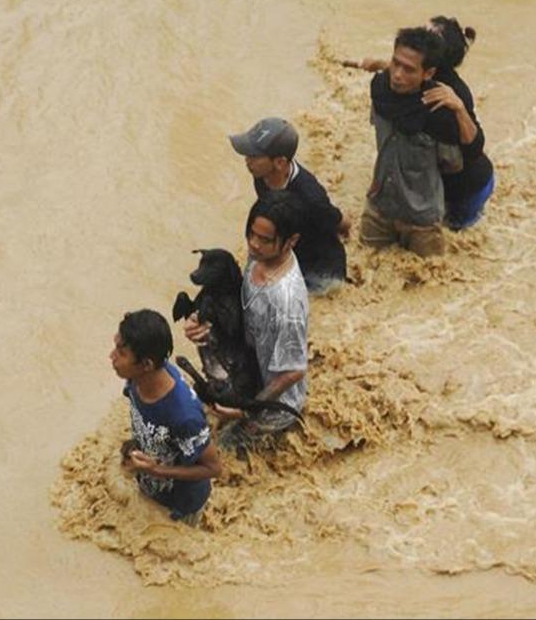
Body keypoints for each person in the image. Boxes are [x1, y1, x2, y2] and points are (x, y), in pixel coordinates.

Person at [184, 191, 310, 454]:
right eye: (251, 234)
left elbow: (294, 370)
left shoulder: (288, 303)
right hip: (245, 369)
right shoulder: (260, 257)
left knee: (227, 450)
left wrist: (246, 408)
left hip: (271, 404)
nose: (253, 244)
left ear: (291, 241)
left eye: (265, 239)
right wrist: (202, 320)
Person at [356, 16, 494, 230]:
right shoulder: (409, 81)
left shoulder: (448, 96)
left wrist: (459, 109)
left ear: (431, 66)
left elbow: (473, 148)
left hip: (466, 188)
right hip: (431, 183)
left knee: (456, 235)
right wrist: (383, 65)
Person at [359, 26, 463, 257]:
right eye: (395, 63)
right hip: (379, 206)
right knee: (363, 268)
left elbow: (453, 163)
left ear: (427, 73)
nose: (397, 75)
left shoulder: (439, 113)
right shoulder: (379, 89)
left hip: (422, 220)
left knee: (429, 280)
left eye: (408, 69)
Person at [110, 309, 222, 525]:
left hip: (179, 505)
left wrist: (155, 469)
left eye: (121, 353)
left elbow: (214, 468)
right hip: (149, 485)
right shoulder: (137, 380)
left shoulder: (184, 416)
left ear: (146, 364)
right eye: (116, 346)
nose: (112, 357)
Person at [228, 116, 350, 294]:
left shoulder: (311, 198)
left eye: (254, 156)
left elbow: (337, 221)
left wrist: (346, 226)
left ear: (280, 163)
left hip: (320, 271)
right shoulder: (262, 176)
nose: (247, 160)